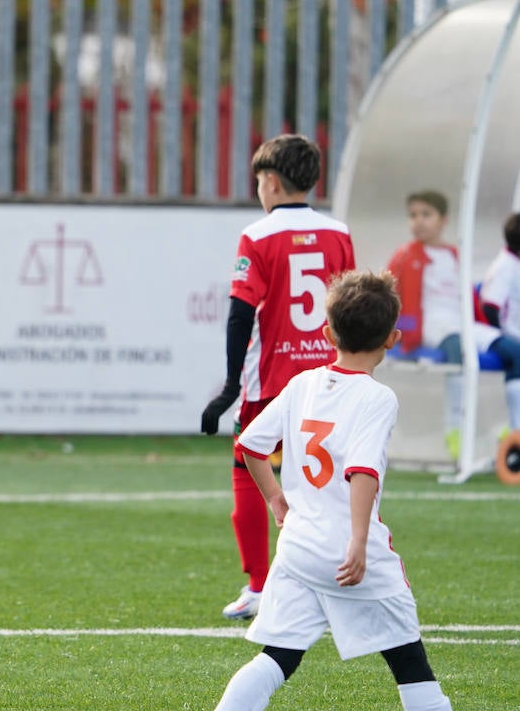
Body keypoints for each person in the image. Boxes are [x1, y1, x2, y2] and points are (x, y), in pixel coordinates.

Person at [180, 269, 506, 711]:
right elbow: (362, 471)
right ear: (393, 340)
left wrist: (275, 498)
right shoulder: (377, 398)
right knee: (407, 653)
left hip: (298, 548)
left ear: (328, 334)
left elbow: (249, 444)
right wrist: (357, 541)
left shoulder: (303, 383)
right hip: (347, 552)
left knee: (279, 655)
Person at [201, 134, 356, 621]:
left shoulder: (258, 236)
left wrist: (229, 386)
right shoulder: (339, 233)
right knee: (328, 481)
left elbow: (239, 313)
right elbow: (352, 308)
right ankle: (334, 582)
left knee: (247, 470)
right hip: (330, 380)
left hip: (272, 384)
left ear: (270, 182)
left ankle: (259, 585)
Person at [385, 191, 520, 457]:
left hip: (464, 324)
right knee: (459, 348)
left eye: (426, 214)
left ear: (443, 220)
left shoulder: (455, 255)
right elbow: (388, 293)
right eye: (413, 216)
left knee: (513, 350)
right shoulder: (405, 255)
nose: (419, 221)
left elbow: (470, 297)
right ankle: (455, 430)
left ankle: (514, 430)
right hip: (431, 328)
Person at [478, 211, 520, 431]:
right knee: (518, 354)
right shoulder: (506, 267)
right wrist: (502, 338)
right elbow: (490, 308)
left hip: (511, 333)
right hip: (492, 332)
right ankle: (516, 430)